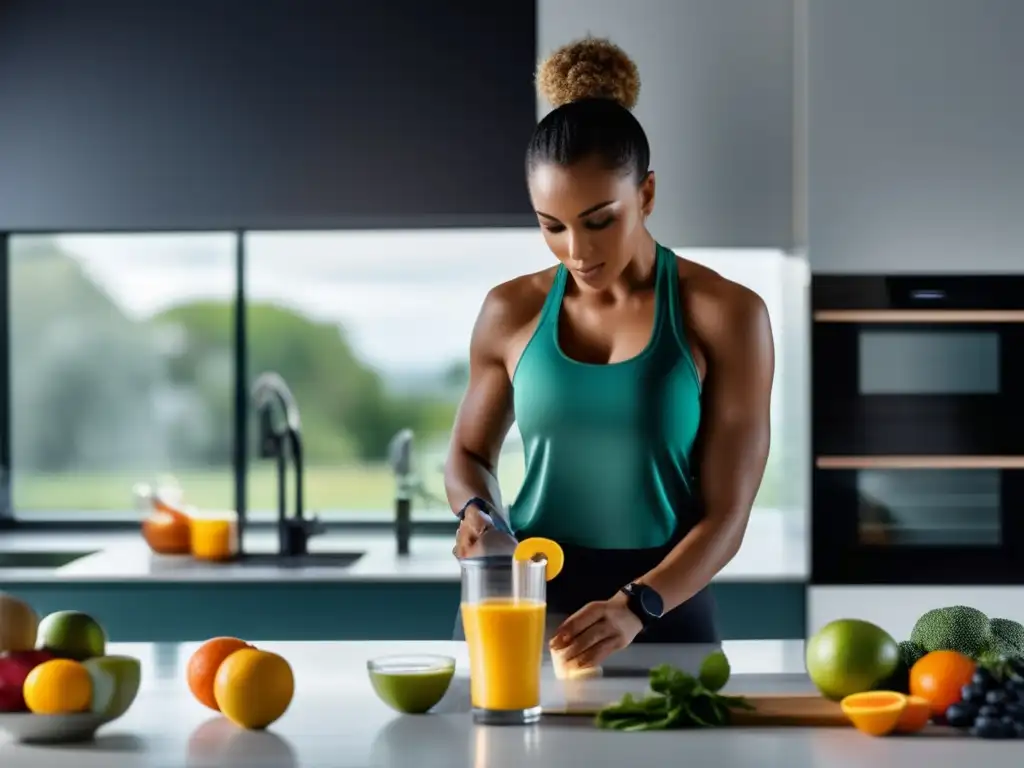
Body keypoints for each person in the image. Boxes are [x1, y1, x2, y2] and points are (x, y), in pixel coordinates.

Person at [444, 37, 774, 670]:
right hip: (519, 600)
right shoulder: (509, 311)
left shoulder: (728, 314)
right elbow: (468, 453)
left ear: (646, 195)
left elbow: (728, 515)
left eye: (599, 220)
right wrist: (479, 512)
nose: (577, 251)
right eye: (552, 225)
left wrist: (637, 604)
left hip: (664, 607)